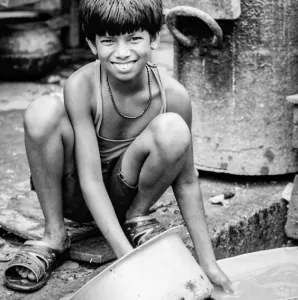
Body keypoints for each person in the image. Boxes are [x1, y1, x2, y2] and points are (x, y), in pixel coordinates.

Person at [4, 0, 233, 293]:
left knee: (173, 129)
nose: (122, 52)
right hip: (78, 195)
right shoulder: (82, 85)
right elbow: (90, 180)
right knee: (41, 112)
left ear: (154, 38)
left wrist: (209, 262)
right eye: (109, 41)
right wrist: (129, 259)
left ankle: (137, 217)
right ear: (92, 45)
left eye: (134, 38)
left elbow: (187, 182)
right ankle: (54, 234)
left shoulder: (174, 95)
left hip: (128, 194)